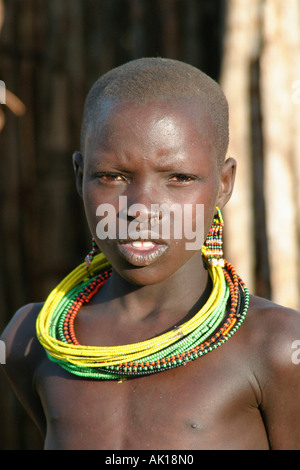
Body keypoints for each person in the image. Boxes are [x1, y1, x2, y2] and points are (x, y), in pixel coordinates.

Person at [1, 57, 300, 451]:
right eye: (112, 176)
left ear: (224, 184)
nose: (141, 207)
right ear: (79, 176)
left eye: (179, 178)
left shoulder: (277, 347)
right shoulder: (29, 341)